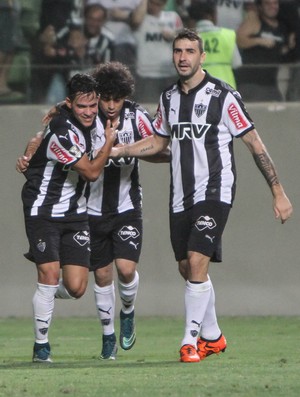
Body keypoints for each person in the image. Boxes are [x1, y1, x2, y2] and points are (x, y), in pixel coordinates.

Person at [110, 29, 293, 363]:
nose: (183, 57)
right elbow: (158, 143)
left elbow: (254, 143)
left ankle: (189, 341)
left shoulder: (224, 96)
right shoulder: (168, 98)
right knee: (187, 266)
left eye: (189, 51)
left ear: (201, 56)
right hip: (180, 195)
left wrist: (278, 191)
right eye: (178, 51)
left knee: (196, 260)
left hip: (215, 190)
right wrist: (118, 149)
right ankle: (213, 335)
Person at [18, 73, 118, 363]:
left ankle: (45, 295)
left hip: (75, 214)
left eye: (92, 105)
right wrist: (109, 142)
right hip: (43, 211)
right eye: (81, 107)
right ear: (69, 104)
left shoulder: (91, 120)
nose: (88, 112)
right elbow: (91, 172)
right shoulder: (62, 132)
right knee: (49, 274)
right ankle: (41, 348)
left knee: (76, 288)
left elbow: (36, 140)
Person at [88, 62, 169, 359]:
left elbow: (160, 147)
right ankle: (107, 336)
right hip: (91, 209)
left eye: (116, 100)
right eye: (104, 99)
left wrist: (128, 150)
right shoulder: (86, 116)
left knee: (126, 268)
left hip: (127, 205)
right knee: (102, 275)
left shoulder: (136, 116)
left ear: (124, 97)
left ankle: (128, 311)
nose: (110, 106)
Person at [236, 0, 294, 101]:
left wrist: (289, 46)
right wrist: (259, 41)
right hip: (251, 83)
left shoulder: (282, 27)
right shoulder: (254, 21)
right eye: (268, 3)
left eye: (275, 3)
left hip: (270, 84)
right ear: (261, 7)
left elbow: (281, 51)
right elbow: (239, 40)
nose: (272, 6)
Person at [134, 0, 183, 103]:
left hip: (170, 71)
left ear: (164, 4)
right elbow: (135, 21)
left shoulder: (173, 17)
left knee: (171, 107)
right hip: (147, 72)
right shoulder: (142, 18)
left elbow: (183, 40)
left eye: (159, 4)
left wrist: (173, 36)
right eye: (152, 3)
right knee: (148, 106)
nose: (155, 7)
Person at [187, 0, 242, 89]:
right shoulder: (228, 35)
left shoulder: (188, 40)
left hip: (198, 89)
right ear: (213, 15)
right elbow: (237, 63)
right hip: (226, 89)